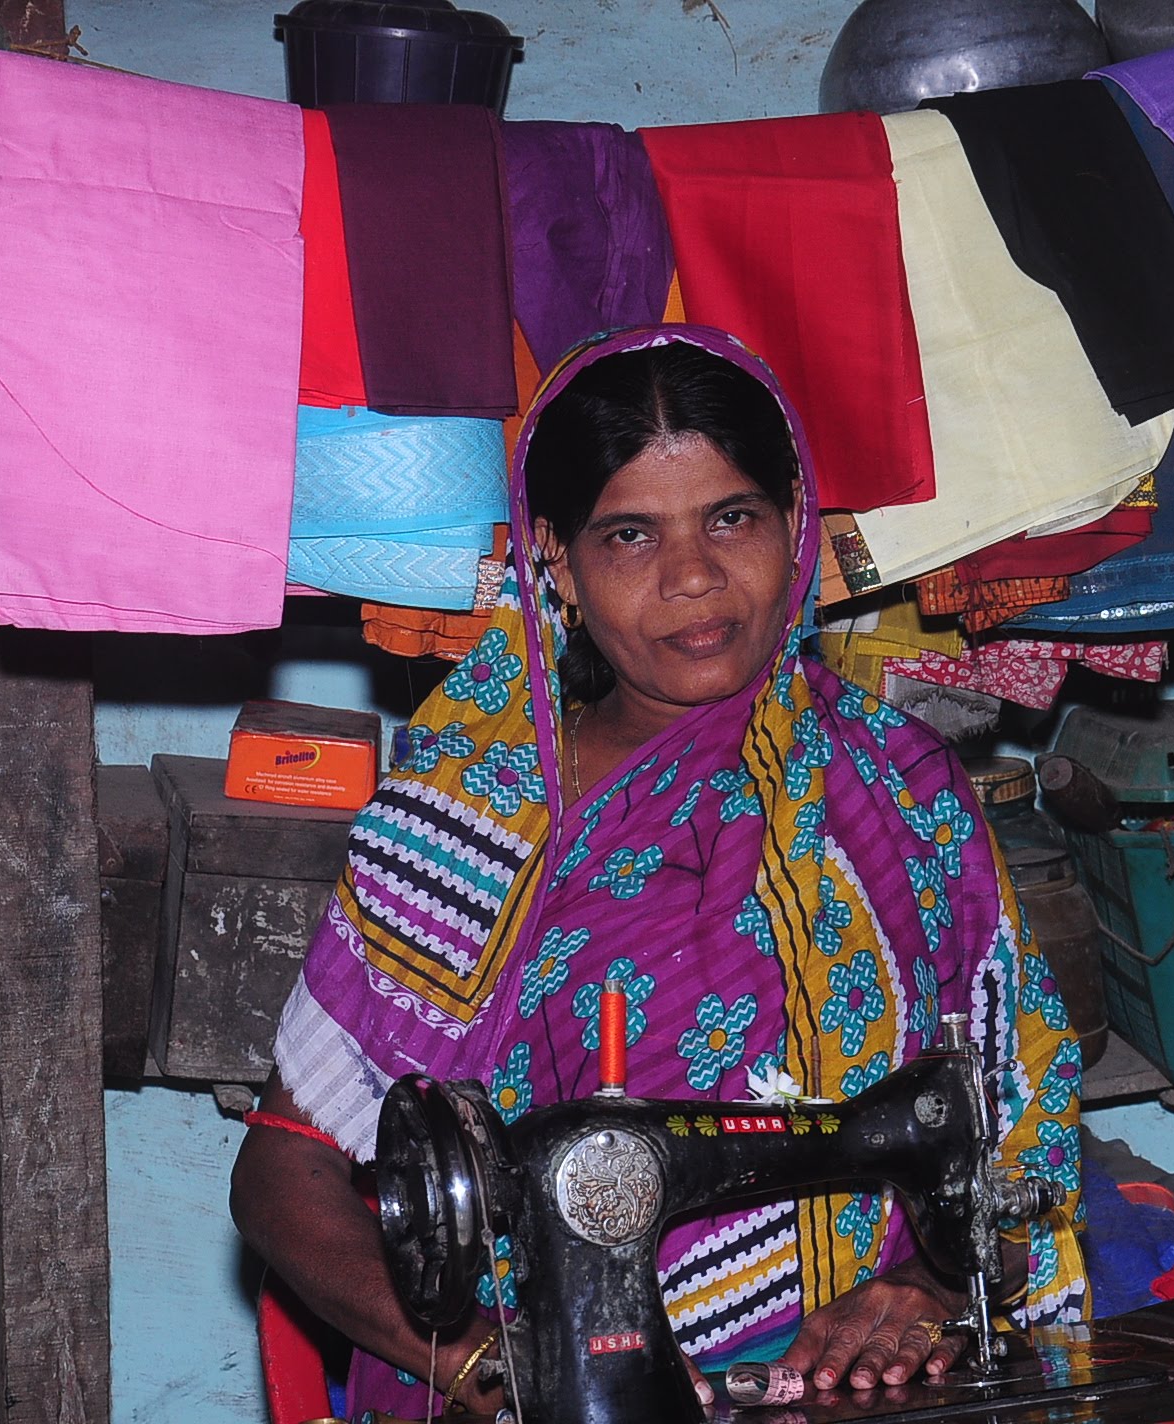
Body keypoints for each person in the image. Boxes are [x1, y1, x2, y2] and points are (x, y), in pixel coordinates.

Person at [230, 325, 1087, 1419]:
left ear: (794, 522)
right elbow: (282, 1176)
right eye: (630, 534)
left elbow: (1019, 1135)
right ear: (553, 554)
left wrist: (930, 1286)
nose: (692, 577)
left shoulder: (900, 789)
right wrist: (504, 1367)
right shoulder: (470, 811)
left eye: (731, 517)